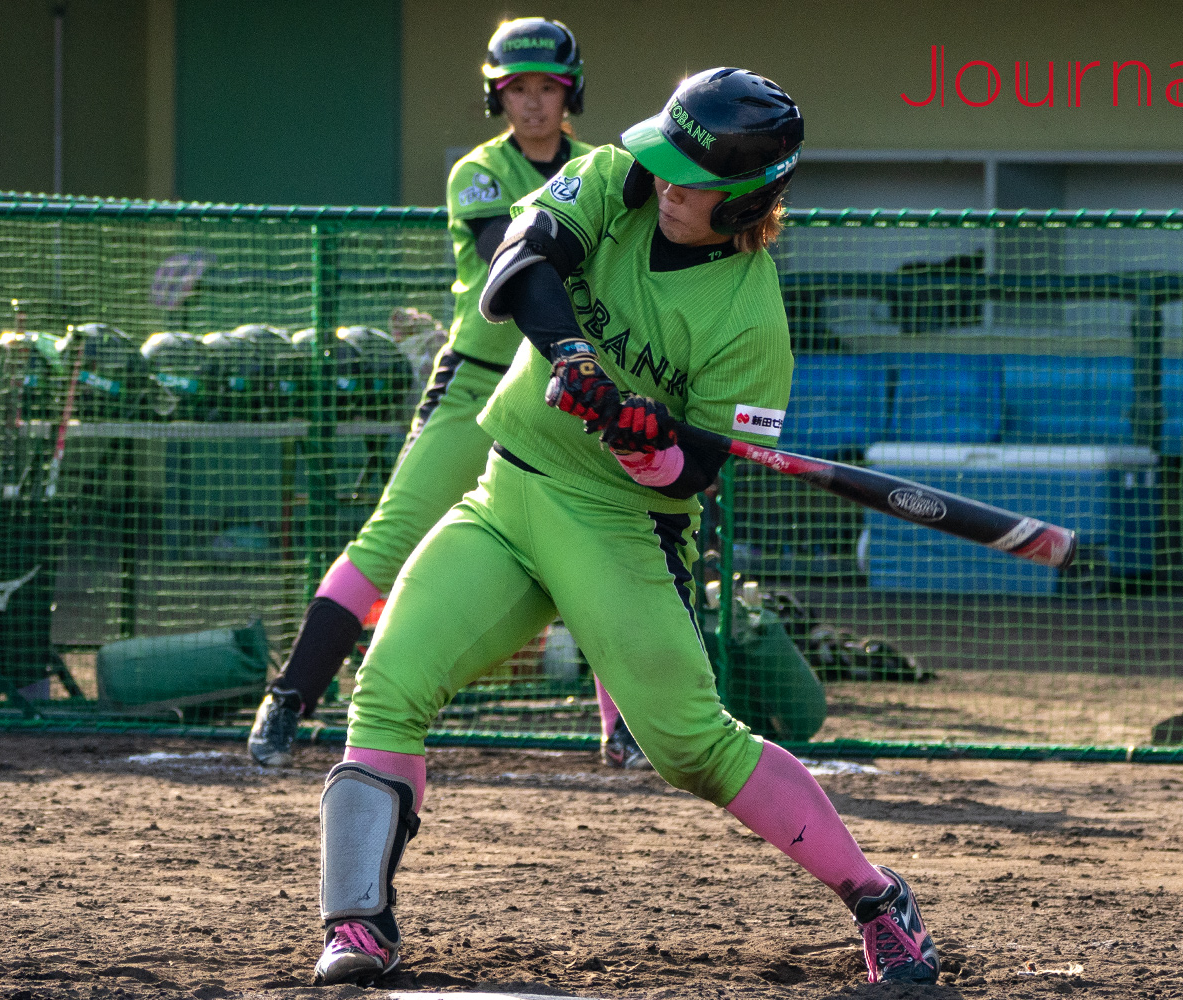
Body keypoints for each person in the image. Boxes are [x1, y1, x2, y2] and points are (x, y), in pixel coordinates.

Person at [311, 68, 939, 988]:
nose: (668, 184)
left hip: (619, 526)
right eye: (666, 163)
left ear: (749, 201)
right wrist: (572, 355)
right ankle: (358, 925)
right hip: (509, 488)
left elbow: (698, 471)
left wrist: (640, 435)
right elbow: (520, 263)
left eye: (695, 179)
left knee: (689, 744)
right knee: (391, 682)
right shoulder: (618, 178)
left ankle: (880, 900)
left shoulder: (750, 322)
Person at [248, 16, 646, 771]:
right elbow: (522, 262)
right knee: (388, 541)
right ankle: (289, 700)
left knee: (604, 544)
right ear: (497, 96)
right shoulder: (480, 172)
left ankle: (626, 729)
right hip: (478, 382)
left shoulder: (604, 166)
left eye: (547, 88)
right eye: (517, 89)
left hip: (572, 388)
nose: (532, 104)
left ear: (572, 93)